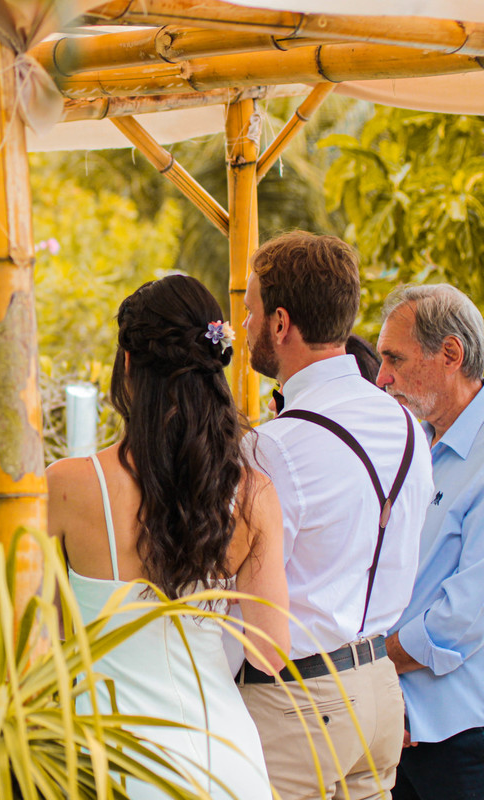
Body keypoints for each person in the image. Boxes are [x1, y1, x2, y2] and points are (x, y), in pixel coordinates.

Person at [48, 274, 289, 800]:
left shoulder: (66, 486)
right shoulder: (251, 493)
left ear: (127, 365)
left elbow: (41, 635)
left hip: (110, 765)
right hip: (225, 762)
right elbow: (270, 652)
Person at [239, 231, 434, 800]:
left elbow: (239, 594)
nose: (244, 326)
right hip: (377, 689)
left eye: (250, 311)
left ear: (280, 323)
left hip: (297, 701)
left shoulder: (273, 447)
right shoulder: (406, 426)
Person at [375, 284, 484, 800]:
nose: (382, 377)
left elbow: (464, 615)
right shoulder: (418, 443)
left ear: (450, 354)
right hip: (400, 725)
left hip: (461, 740)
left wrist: (375, 664)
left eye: (394, 358)